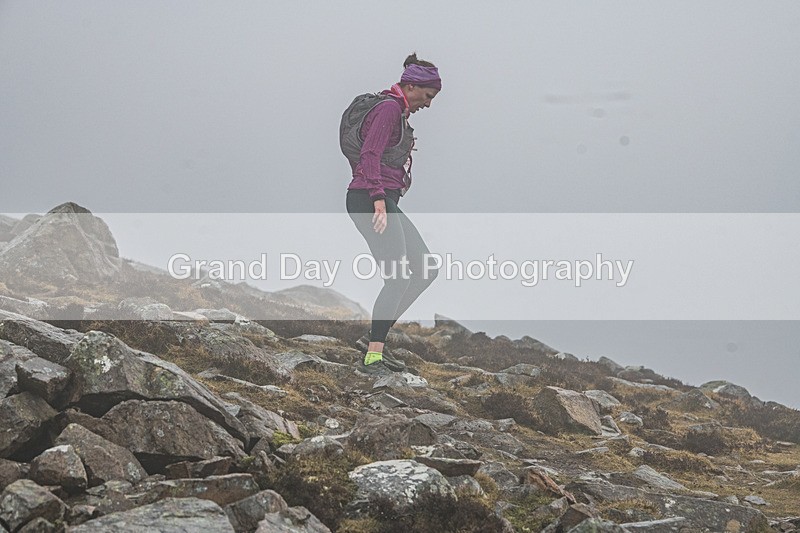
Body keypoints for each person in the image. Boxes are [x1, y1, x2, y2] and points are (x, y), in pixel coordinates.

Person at [342, 52, 441, 374]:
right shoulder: (387, 109)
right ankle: (373, 356)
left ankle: (374, 339)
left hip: (381, 198)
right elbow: (369, 154)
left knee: (425, 269)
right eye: (427, 96)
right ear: (411, 86)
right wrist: (378, 200)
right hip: (371, 199)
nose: (428, 104)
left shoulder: (396, 111)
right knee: (398, 277)